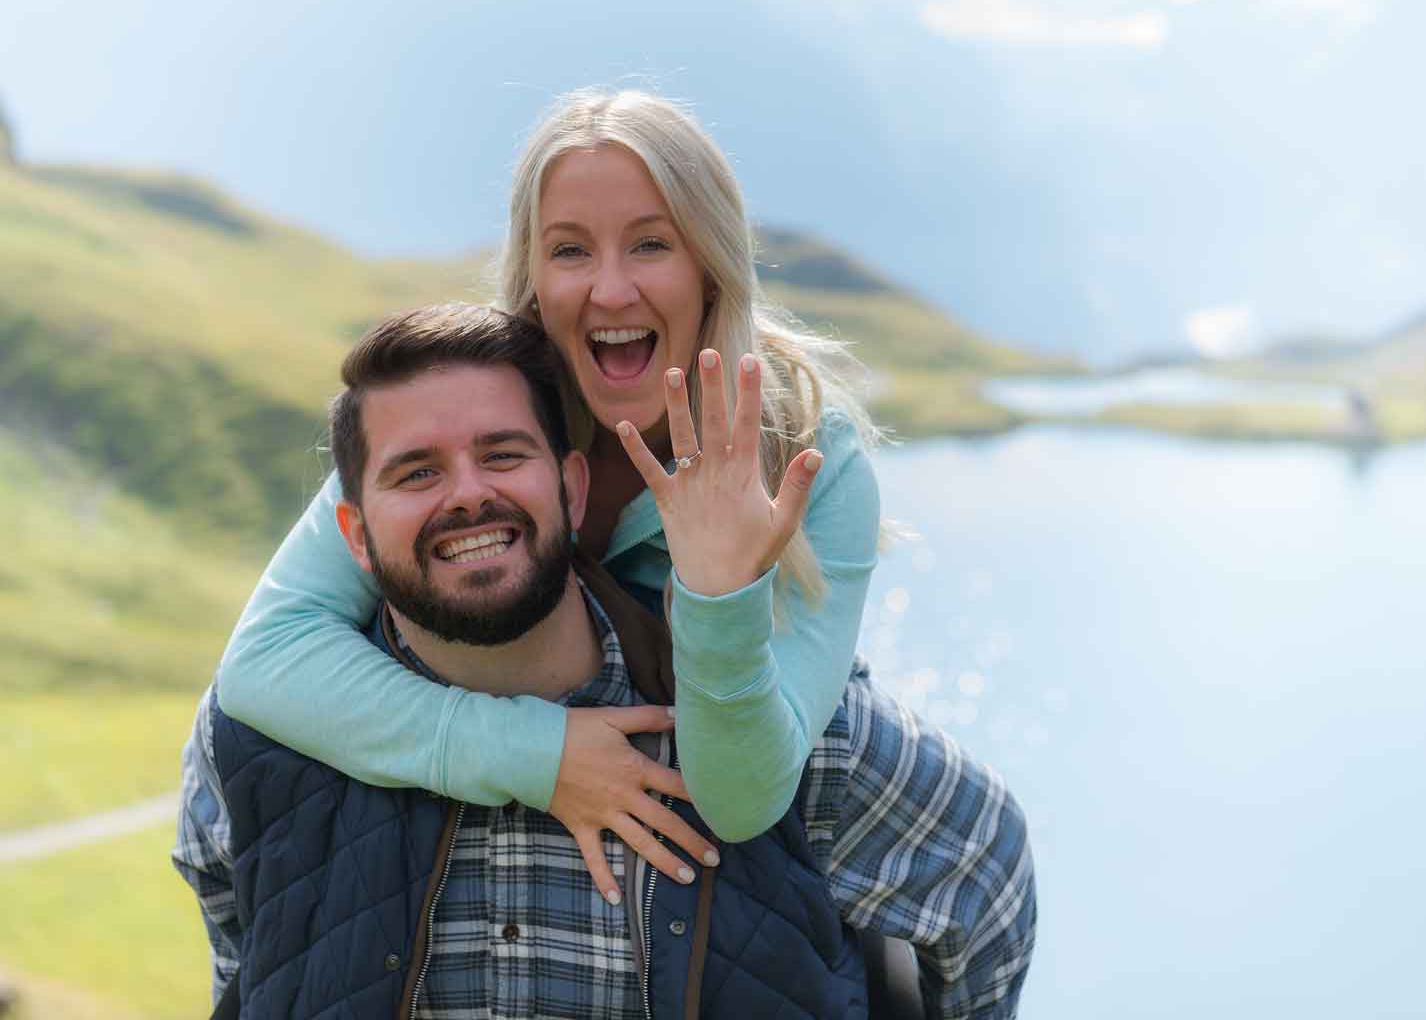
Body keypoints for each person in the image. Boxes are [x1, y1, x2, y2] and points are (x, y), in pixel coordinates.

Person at [173, 304, 1035, 1018]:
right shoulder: (253, 744)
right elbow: (238, 955)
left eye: (503, 453)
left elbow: (986, 870)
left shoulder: (776, 733)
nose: (468, 491)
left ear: (576, 490)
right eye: (415, 473)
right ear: (354, 535)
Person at [214, 89, 887, 900]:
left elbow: (744, 800)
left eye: (650, 245)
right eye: (570, 251)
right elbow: (265, 661)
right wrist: (538, 755)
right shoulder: (471, 409)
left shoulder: (809, 457)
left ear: (710, 265)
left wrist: (719, 595)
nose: (608, 292)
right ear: (531, 275)